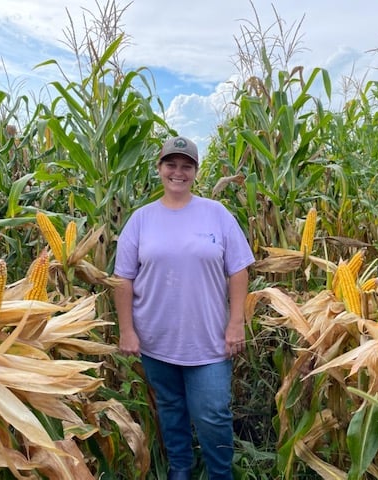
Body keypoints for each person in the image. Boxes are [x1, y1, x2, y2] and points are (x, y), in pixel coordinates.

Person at [113, 136, 255, 480]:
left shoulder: (216, 214)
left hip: (208, 342)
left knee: (212, 415)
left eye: (186, 166)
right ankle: (181, 472)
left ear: (195, 171)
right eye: (171, 165)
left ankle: (220, 474)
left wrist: (236, 323)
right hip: (155, 342)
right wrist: (127, 330)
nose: (178, 172)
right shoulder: (141, 219)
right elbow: (123, 279)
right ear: (159, 168)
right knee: (171, 410)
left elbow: (239, 270)